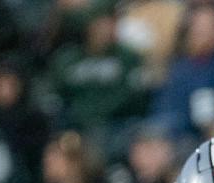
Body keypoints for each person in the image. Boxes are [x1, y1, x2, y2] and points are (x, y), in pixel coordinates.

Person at [48, 2, 147, 132]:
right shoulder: (68, 58)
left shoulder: (128, 57)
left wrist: (95, 112)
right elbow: (55, 92)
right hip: (73, 124)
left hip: (116, 125)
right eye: (101, 24)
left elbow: (133, 95)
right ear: (88, 25)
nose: (107, 29)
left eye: (112, 23)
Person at [152, 5, 214, 142]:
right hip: (183, 135)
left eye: (211, 27)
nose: (204, 34)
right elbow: (166, 109)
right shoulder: (178, 69)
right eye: (199, 28)